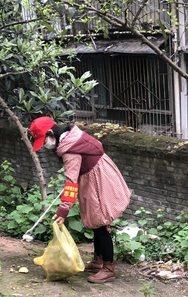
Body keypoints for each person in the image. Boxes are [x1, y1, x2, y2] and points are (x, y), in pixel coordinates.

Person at [29, 116, 131, 284]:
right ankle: (98, 261)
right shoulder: (72, 137)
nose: (45, 146)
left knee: (100, 223)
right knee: (94, 222)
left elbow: (71, 182)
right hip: (97, 177)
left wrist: (64, 209)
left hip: (99, 182)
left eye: (44, 140)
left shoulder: (70, 149)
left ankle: (108, 268)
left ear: (50, 133)